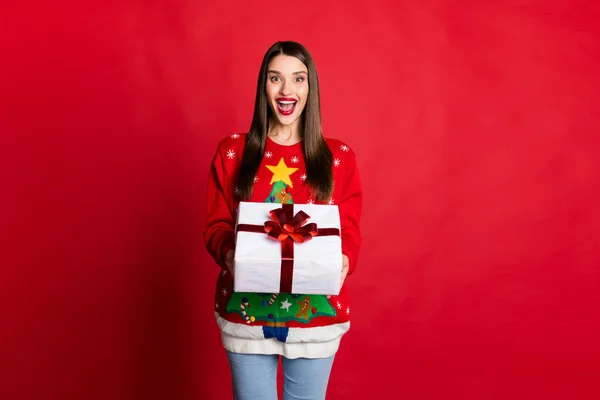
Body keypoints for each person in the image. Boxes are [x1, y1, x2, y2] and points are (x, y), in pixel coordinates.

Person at [203, 40, 363, 400]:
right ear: (264, 86)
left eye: (298, 79)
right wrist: (231, 253)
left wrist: (344, 259)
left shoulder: (339, 157)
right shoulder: (233, 152)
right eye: (276, 78)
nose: (287, 89)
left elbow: (349, 228)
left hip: (315, 320)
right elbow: (216, 225)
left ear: (310, 87)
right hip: (246, 315)